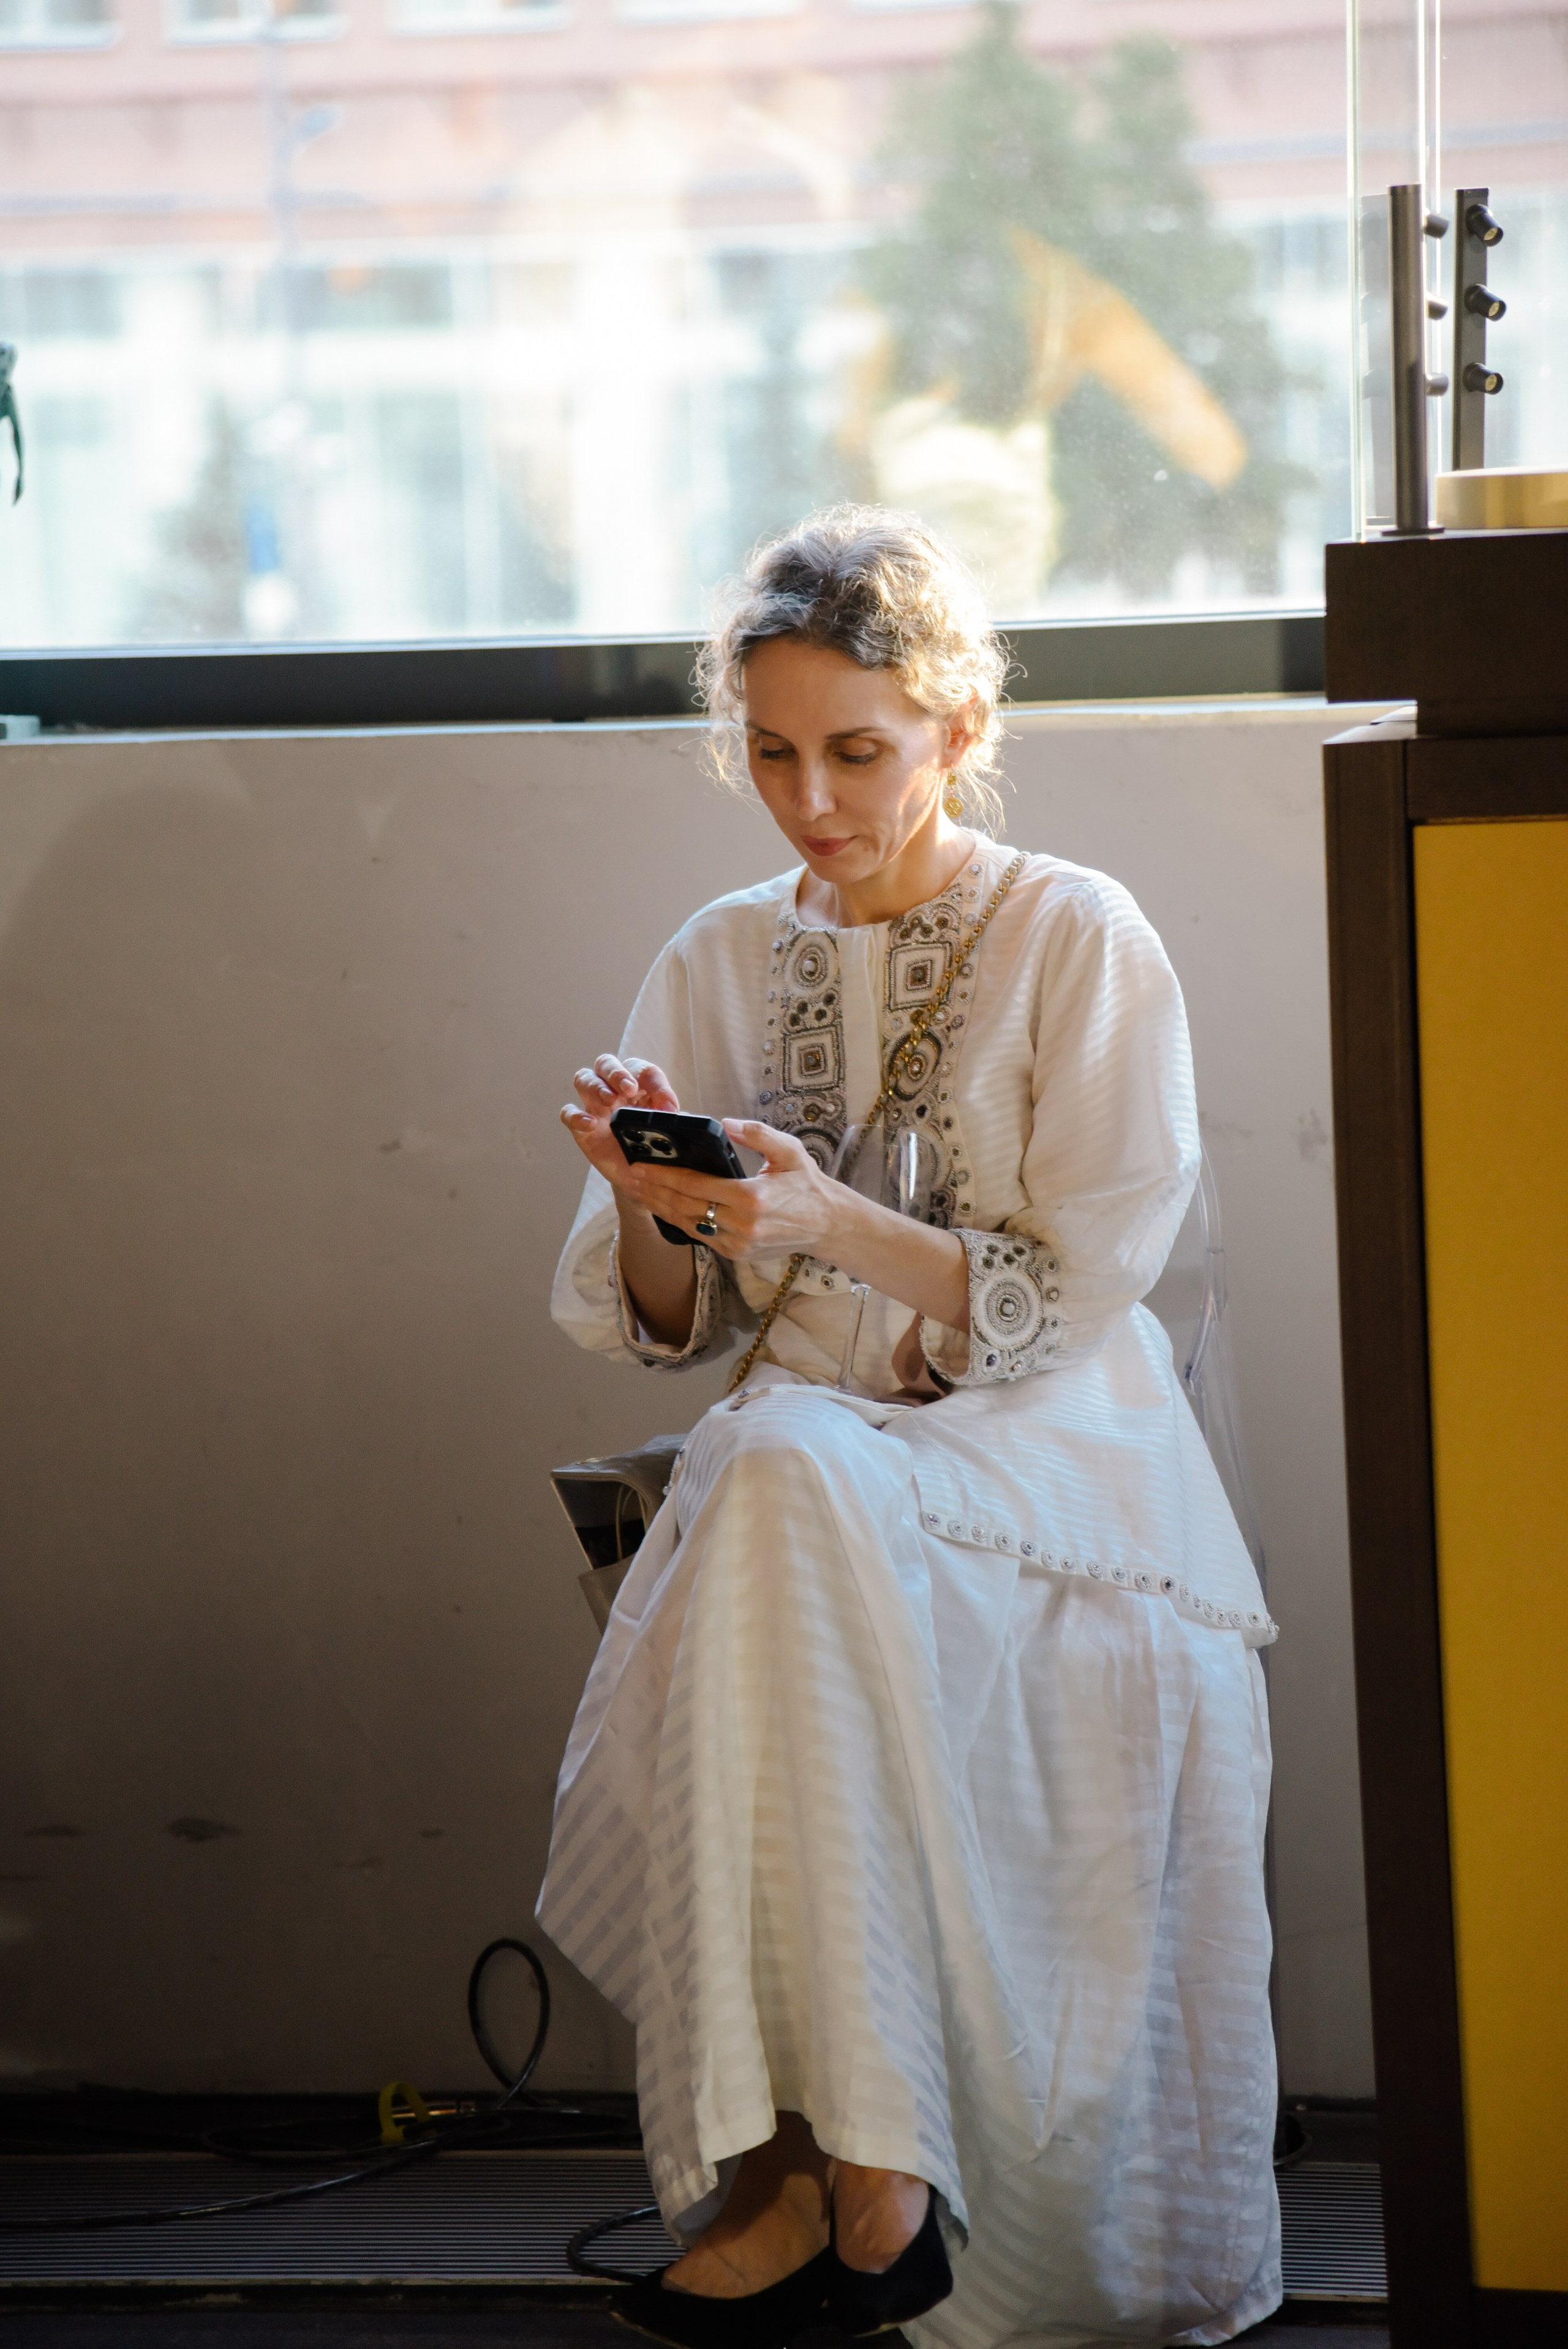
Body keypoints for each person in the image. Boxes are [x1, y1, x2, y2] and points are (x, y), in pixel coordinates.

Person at [538, 507, 1280, 2349]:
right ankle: (864, 2169)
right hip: (815, 1459)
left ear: (956, 725)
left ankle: (812, 2168)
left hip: (1062, 1458)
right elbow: (655, 1325)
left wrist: (828, 1223)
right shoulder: (716, 955)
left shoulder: (1077, 936)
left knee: (775, 1470)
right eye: (774, 754)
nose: (811, 799)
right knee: (777, 1459)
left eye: (857, 751)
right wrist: (652, 1197)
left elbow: (1088, 1283)